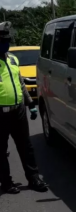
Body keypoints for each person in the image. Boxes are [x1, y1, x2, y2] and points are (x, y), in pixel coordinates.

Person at [0, 21, 49, 194]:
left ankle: (33, 178)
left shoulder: (12, 59)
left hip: (18, 110)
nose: (6, 44)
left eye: (7, 40)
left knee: (26, 146)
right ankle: (6, 182)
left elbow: (20, 84)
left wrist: (31, 105)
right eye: (2, 40)